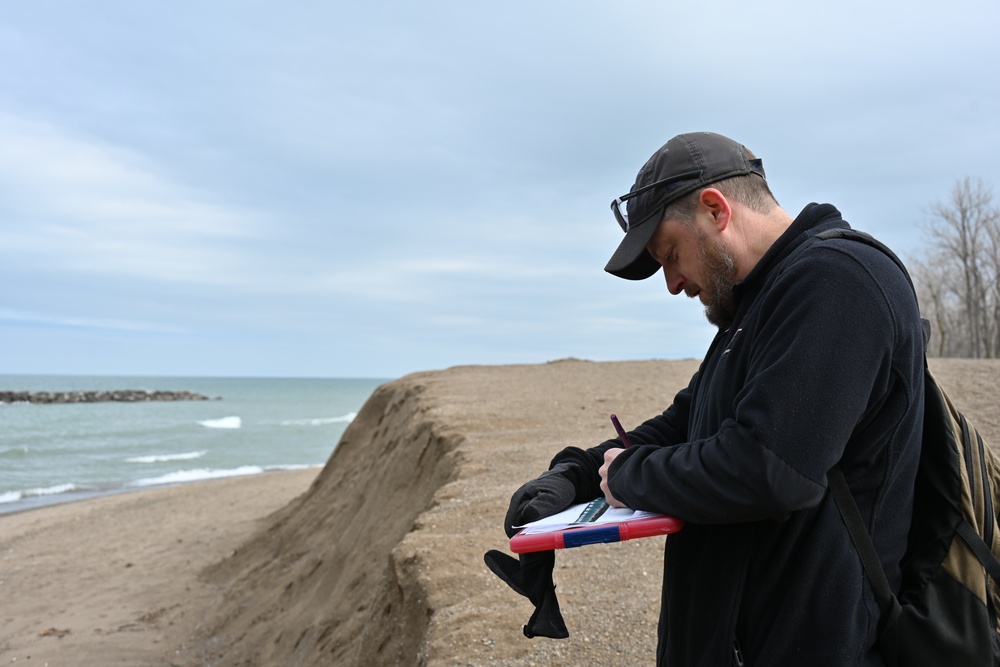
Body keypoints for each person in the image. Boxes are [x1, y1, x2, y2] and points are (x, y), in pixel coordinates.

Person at [498, 132, 925, 666]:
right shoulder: (758, 305)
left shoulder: (837, 281)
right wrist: (576, 475)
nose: (673, 284)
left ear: (715, 209)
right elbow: (685, 425)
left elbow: (767, 468)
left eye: (671, 255)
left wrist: (628, 474)